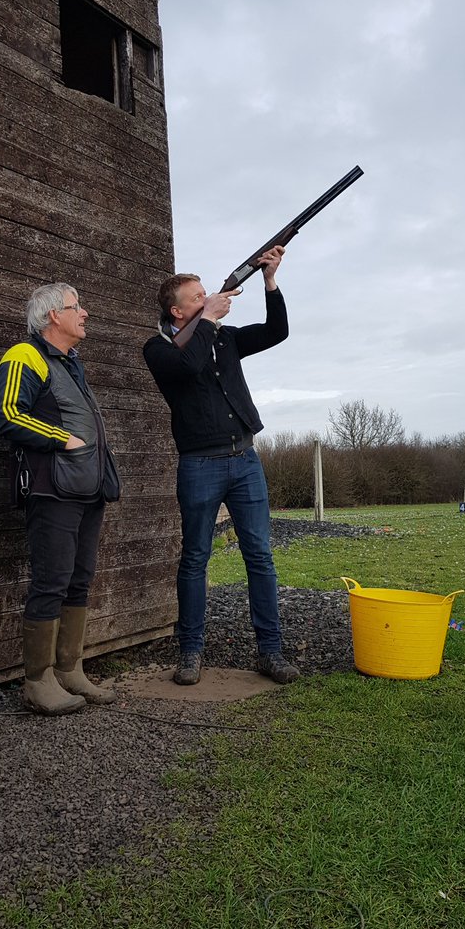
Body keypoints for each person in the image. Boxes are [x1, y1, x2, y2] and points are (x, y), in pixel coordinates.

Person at [143, 245, 299, 686]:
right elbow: (190, 367)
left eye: (207, 293)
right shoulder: (158, 349)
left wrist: (270, 281)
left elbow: (277, 331)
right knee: (195, 558)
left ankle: (270, 651)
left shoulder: (225, 338)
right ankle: (190, 653)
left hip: (245, 459)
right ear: (178, 311)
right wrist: (208, 318)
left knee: (261, 557)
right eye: (198, 297)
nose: (210, 298)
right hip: (199, 465)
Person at [0, 282, 115, 714]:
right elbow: (9, 415)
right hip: (52, 489)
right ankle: (37, 681)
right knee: (51, 582)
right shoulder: (23, 355)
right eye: (75, 306)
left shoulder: (70, 363)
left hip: (87, 488)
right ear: (52, 316)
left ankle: (69, 670)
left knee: (79, 579)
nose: (84, 312)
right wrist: (64, 439)